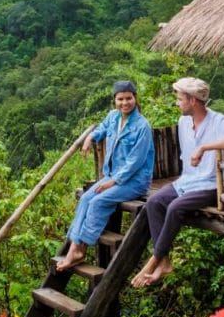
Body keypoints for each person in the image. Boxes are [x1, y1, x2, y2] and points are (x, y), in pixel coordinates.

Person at [132, 77, 224, 287]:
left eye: (180, 98)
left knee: (175, 208)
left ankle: (154, 259)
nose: (177, 102)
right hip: (187, 181)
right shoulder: (183, 122)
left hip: (211, 184)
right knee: (154, 203)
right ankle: (164, 262)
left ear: (193, 100)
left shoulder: (218, 121)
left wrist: (204, 147)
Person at [56, 80, 154, 270]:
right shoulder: (113, 117)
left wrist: (112, 182)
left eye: (128, 98)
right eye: (120, 99)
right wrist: (90, 137)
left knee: (97, 201)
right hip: (111, 177)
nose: (124, 103)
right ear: (114, 100)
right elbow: (102, 128)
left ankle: (78, 249)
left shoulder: (142, 127)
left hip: (134, 181)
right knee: (85, 198)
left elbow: (135, 162)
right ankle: (75, 246)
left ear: (135, 98)